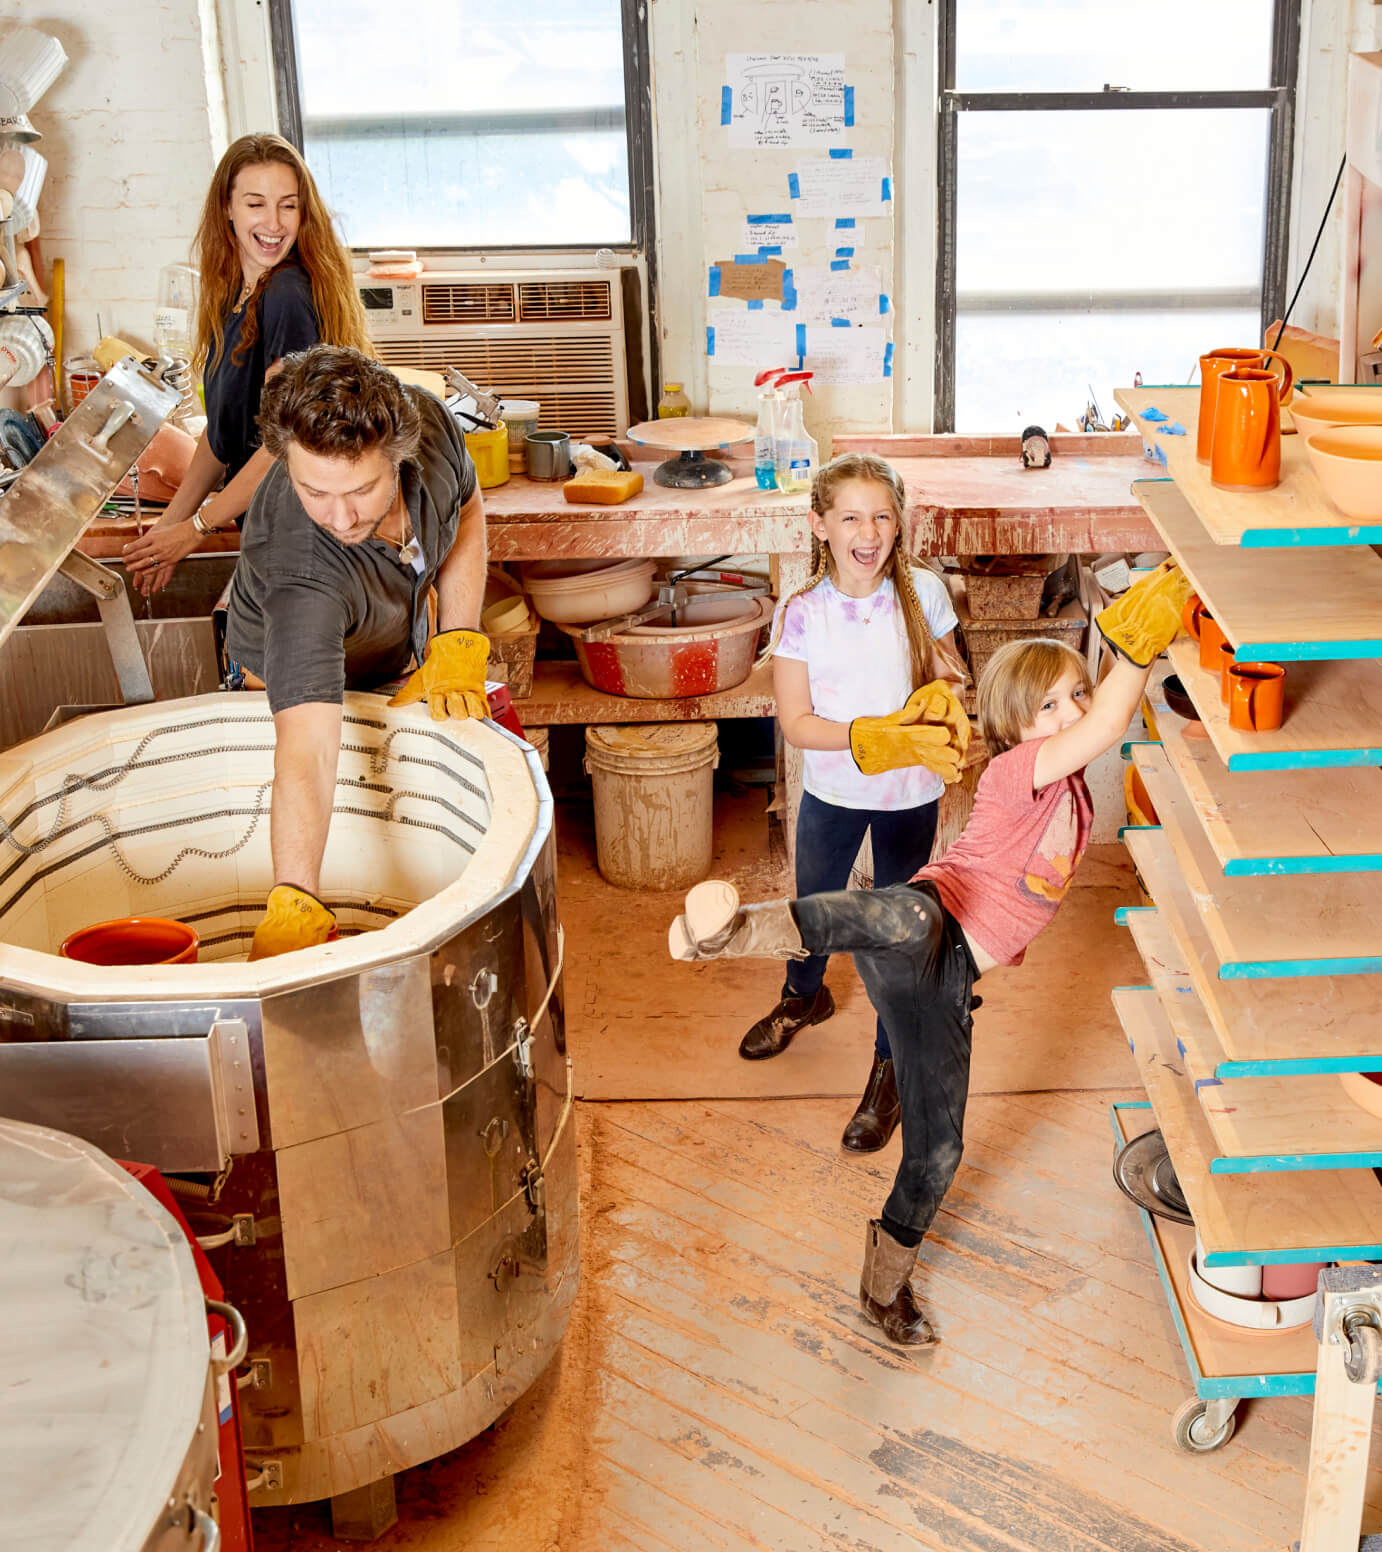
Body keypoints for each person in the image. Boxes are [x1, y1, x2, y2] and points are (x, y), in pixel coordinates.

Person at [667, 561, 1192, 1348]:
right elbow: (1109, 725)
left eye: (1077, 693)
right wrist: (1135, 653)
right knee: (902, 917)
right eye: (1049, 706)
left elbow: (1101, 729)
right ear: (1015, 729)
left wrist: (1124, 660)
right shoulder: (1019, 773)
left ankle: (883, 1289)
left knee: (938, 1149)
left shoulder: (1072, 789)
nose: (1073, 712)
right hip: (927, 919)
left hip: (946, 985)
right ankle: (731, 932)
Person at [219, 345, 489, 961]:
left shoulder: (430, 423)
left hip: (396, 651)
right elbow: (308, 753)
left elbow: (467, 510)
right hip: (285, 685)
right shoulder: (301, 572)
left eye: (362, 490)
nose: (340, 517)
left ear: (399, 454)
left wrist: (458, 636)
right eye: (314, 492)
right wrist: (296, 901)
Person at [751, 453, 966, 1155]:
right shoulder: (803, 613)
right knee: (814, 908)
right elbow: (796, 722)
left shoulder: (924, 594)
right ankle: (802, 995)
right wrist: (869, 736)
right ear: (820, 526)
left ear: (898, 526)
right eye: (849, 516)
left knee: (898, 935)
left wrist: (946, 694)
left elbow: (948, 672)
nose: (867, 531)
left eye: (881, 516)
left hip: (912, 794)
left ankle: (890, 1066)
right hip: (834, 791)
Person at [123, 133, 370, 595]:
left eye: (288, 206)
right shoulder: (232, 297)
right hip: (269, 529)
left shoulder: (287, 296)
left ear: (304, 213)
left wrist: (196, 527)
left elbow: (287, 443)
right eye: (256, 204)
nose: (273, 223)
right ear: (227, 209)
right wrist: (168, 529)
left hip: (309, 538)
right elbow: (221, 439)